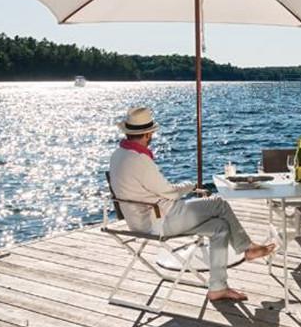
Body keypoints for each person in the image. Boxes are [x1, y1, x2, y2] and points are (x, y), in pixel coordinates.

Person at [109, 106, 274, 301]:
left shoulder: (118, 155)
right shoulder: (139, 159)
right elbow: (169, 192)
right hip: (160, 220)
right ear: (147, 134)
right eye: (151, 133)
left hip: (139, 221)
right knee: (218, 203)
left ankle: (218, 288)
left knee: (220, 227)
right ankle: (248, 247)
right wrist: (190, 186)